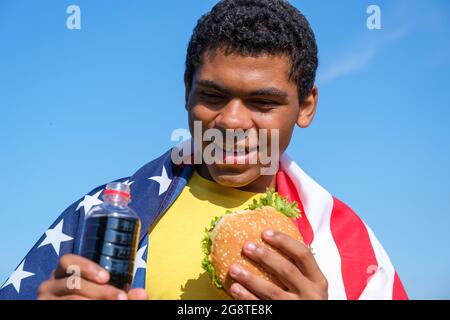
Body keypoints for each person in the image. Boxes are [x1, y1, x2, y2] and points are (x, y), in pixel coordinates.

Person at [0, 0, 407, 300]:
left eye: (262, 103)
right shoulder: (102, 219)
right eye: (213, 96)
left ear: (305, 107)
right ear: (186, 92)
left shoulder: (351, 249)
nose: (231, 121)